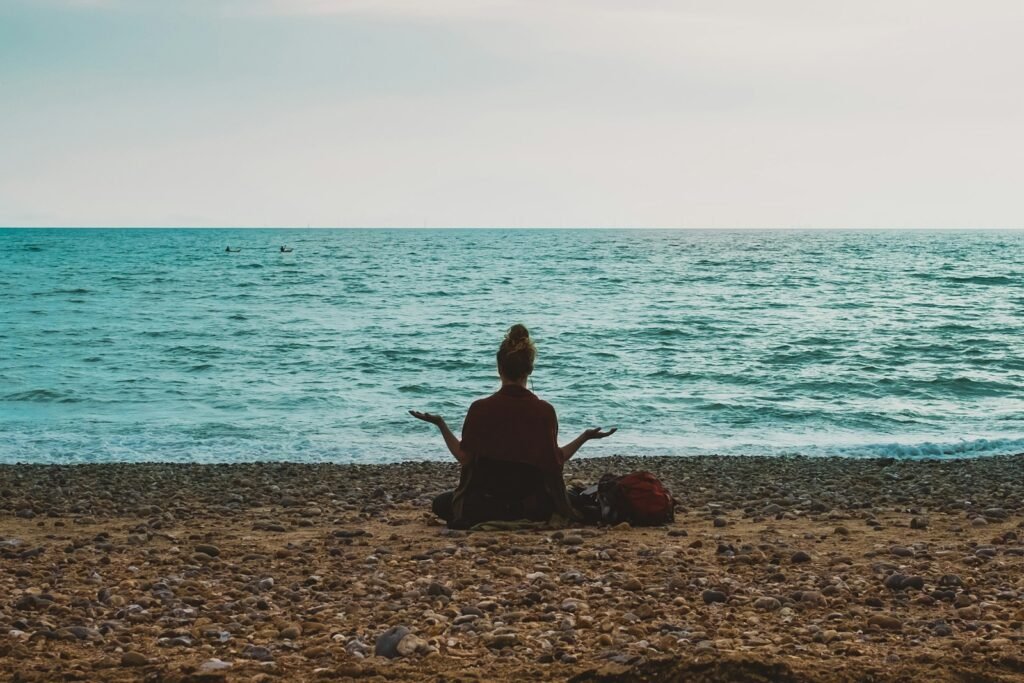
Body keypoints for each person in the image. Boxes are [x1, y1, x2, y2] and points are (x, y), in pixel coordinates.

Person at [410, 324, 616, 528]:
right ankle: (517, 513)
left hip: (487, 501)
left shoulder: (480, 408)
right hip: (532, 504)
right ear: (530, 369)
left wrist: (441, 425)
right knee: (573, 498)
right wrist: (584, 437)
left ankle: (501, 513)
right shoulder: (544, 410)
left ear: (499, 368)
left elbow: (465, 459)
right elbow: (555, 462)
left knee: (442, 504)